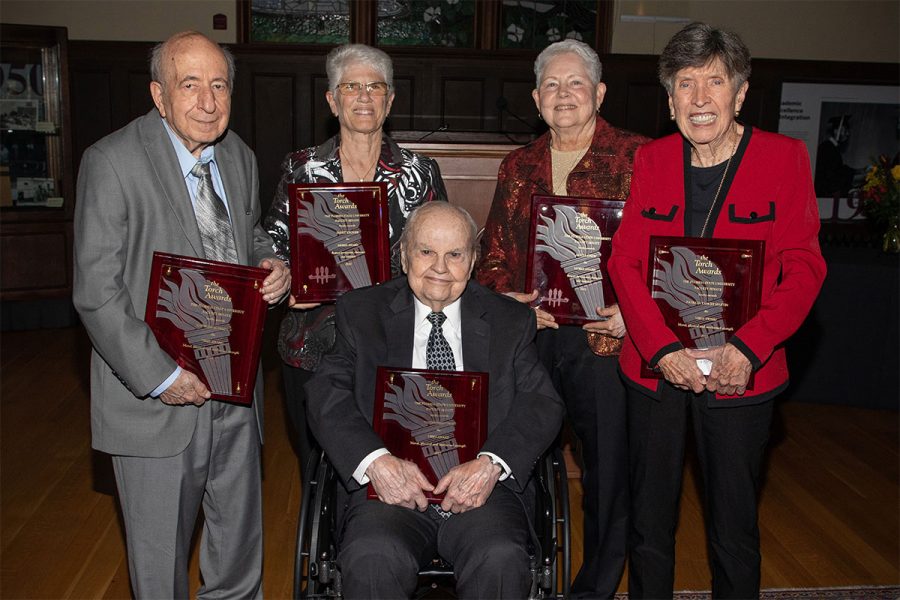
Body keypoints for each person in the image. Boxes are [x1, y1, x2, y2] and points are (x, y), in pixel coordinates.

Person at [607, 22, 827, 599]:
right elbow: (625, 264)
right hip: (656, 368)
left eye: (715, 81)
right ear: (670, 97)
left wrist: (749, 347)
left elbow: (804, 269)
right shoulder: (651, 160)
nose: (700, 98)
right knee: (649, 520)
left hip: (741, 368)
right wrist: (662, 350)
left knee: (733, 525)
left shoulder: (784, 158)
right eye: (685, 84)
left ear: (741, 91)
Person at [72, 31, 290, 599]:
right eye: (188, 84)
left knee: (239, 552)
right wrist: (162, 378)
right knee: (159, 562)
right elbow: (96, 292)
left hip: (235, 388)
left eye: (219, 85)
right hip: (157, 398)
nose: (208, 101)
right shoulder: (111, 162)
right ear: (158, 95)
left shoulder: (238, 156)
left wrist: (271, 261)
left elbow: (247, 234)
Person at [306, 202, 564, 598]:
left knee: (500, 557)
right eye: (426, 252)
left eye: (455, 254)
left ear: (473, 260)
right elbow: (327, 394)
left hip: (482, 494)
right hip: (390, 492)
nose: (440, 268)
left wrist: (489, 465)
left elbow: (542, 402)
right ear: (405, 254)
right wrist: (377, 463)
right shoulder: (362, 312)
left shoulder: (509, 320)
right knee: (372, 555)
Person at [476, 39, 648, 598]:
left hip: (607, 344)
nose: (563, 94)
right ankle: (518, 569)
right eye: (551, 84)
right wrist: (513, 298)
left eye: (575, 83)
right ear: (535, 97)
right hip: (533, 341)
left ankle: (593, 587)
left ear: (598, 92)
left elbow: (662, 253)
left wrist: (634, 310)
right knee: (516, 459)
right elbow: (494, 257)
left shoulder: (640, 158)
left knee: (607, 475)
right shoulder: (518, 165)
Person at [264, 43, 447, 479]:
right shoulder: (301, 168)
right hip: (313, 343)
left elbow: (443, 255)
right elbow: (271, 241)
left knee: (392, 471)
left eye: (375, 87)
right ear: (332, 99)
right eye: (351, 86)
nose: (364, 97)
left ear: (390, 100)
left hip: (396, 346)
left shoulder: (419, 172)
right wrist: (286, 282)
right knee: (317, 471)